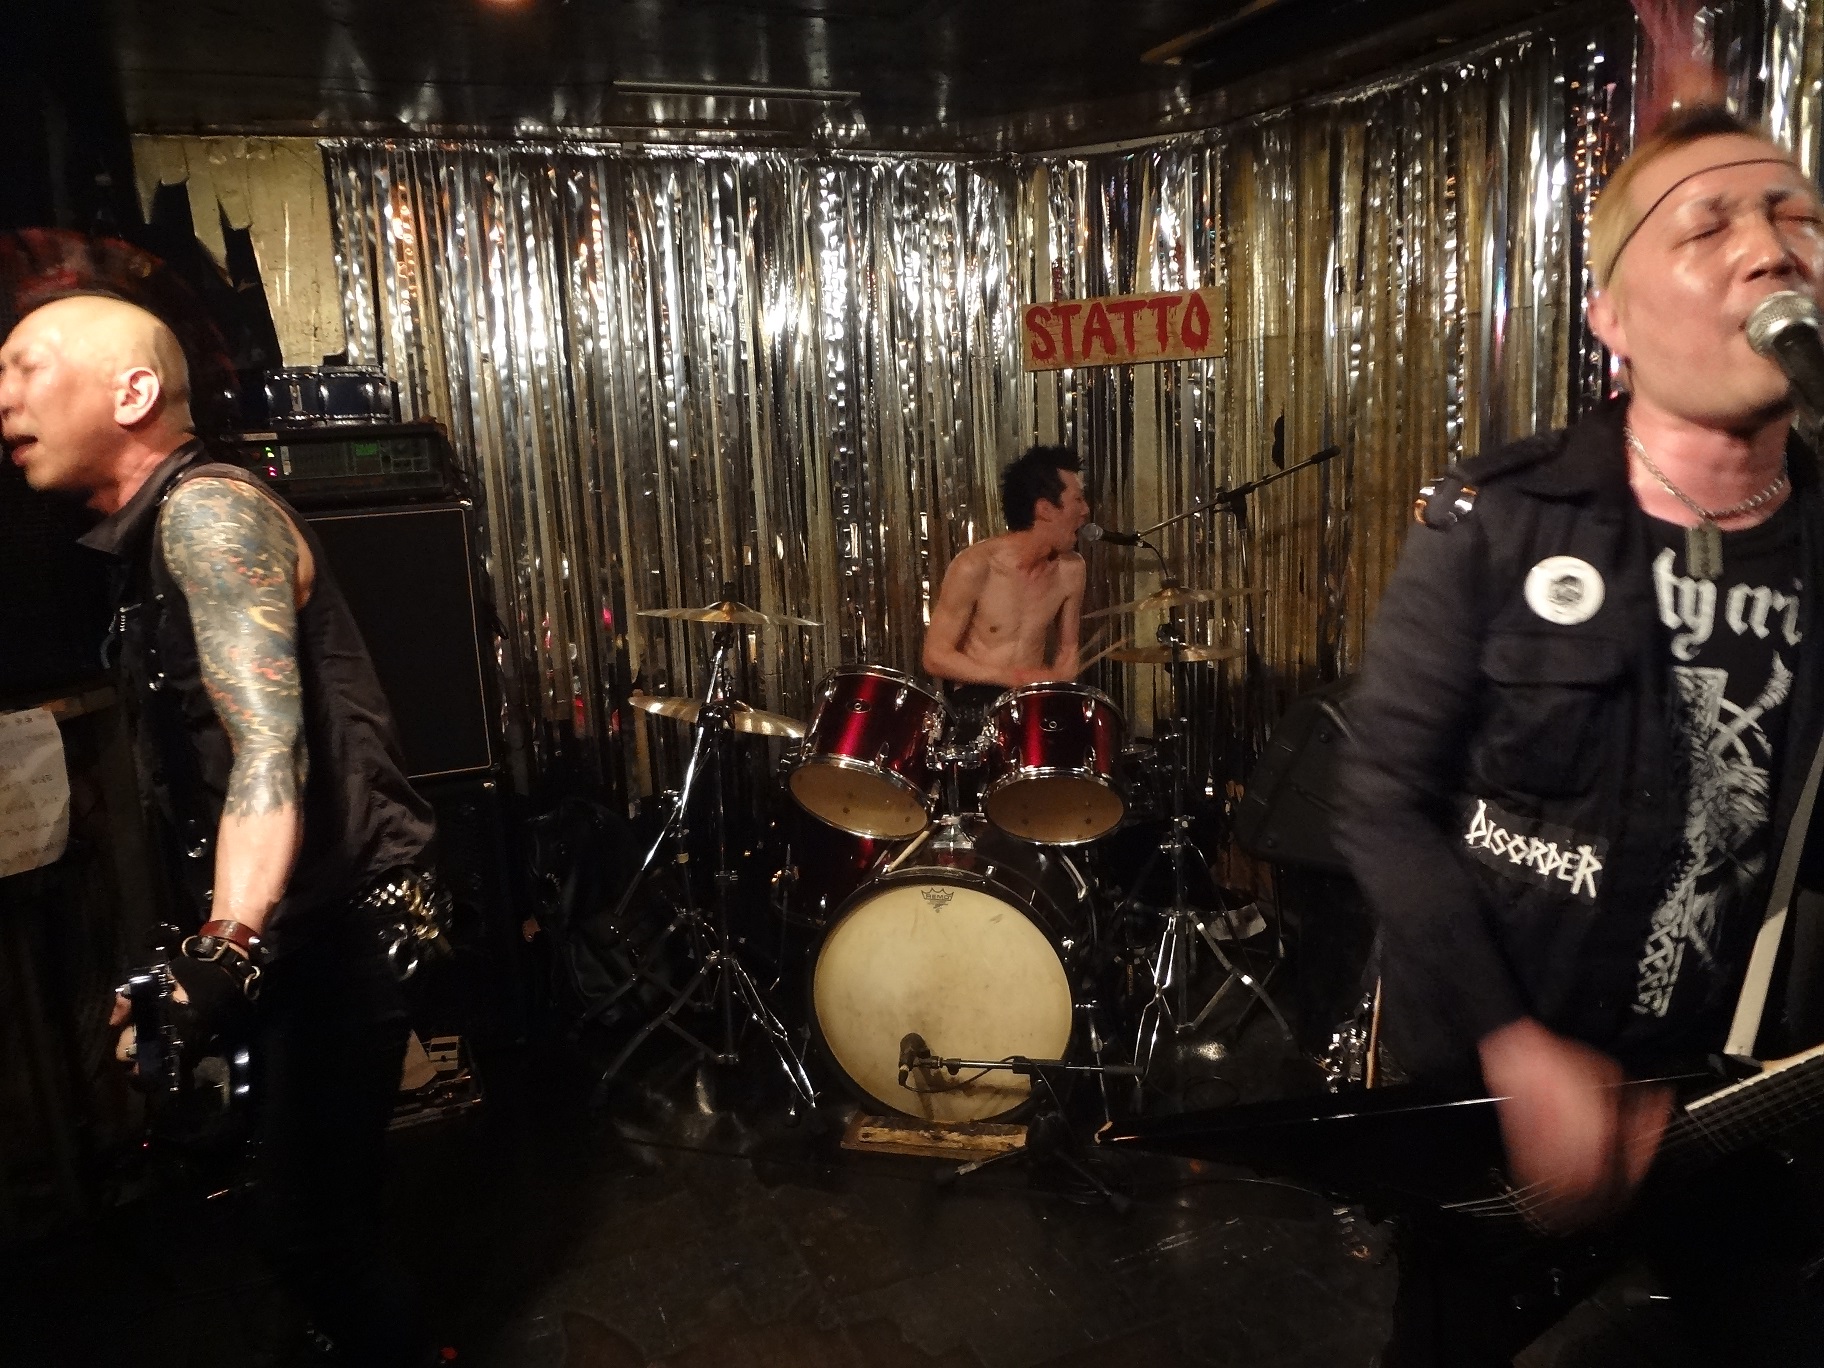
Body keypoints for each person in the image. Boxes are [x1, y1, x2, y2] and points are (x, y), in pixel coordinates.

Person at [1338, 104, 1824, 1366]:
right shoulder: (1501, 519)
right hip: (1500, 1093)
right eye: (1707, 225)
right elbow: (1381, 798)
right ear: (1611, 318)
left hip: (1727, 1088)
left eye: (1797, 217)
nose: (1771, 248)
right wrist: (1514, 1048)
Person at [0, 292, 439, 1366]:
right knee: (311, 1212)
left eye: (26, 366)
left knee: (308, 1228)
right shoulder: (153, 534)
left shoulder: (208, 516)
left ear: (134, 392)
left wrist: (226, 940)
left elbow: (268, 748)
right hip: (297, 922)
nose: (5, 396)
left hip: (338, 927)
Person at [921, 443, 1090, 721]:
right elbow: (935, 656)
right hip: (975, 706)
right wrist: (1017, 678)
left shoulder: (1072, 570)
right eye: (1078, 500)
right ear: (1045, 509)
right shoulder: (975, 566)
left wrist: (1058, 685)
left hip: (1030, 706)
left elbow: (1068, 650)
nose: (1086, 510)